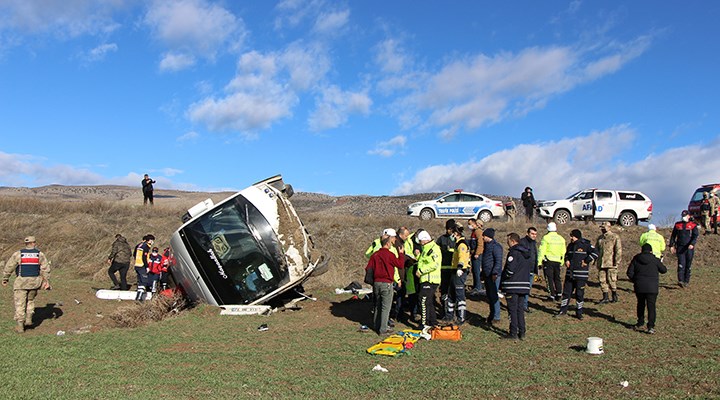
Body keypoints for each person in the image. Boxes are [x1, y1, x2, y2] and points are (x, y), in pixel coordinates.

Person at [2, 236, 51, 333]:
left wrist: (5, 278)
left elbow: (10, 266)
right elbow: (46, 269)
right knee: (30, 300)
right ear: (34, 243)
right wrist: (46, 281)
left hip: (21, 283)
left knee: (20, 303)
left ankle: (20, 325)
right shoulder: (39, 254)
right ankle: (29, 318)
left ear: (25, 244)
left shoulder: (19, 254)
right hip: (35, 282)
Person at [365, 235, 403, 335]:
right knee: (386, 307)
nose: (391, 244)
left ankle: (376, 325)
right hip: (386, 283)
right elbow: (400, 264)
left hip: (376, 283)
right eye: (391, 243)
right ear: (387, 243)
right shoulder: (390, 255)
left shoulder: (375, 255)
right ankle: (383, 329)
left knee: (378, 305)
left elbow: (368, 268)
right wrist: (401, 254)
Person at [556, 229, 598, 320]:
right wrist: (566, 260)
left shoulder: (586, 245)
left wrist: (587, 261)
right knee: (566, 293)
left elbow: (596, 253)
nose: (571, 238)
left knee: (579, 294)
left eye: (572, 236)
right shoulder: (570, 246)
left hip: (581, 275)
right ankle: (562, 310)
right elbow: (566, 255)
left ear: (577, 236)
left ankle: (579, 312)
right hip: (570, 274)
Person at [627, 243, 668, 334]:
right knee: (651, 307)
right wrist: (660, 261)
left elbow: (629, 273)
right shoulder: (655, 260)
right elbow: (664, 270)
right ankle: (650, 326)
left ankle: (640, 322)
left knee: (640, 304)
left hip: (639, 286)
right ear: (651, 251)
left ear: (641, 250)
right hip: (652, 287)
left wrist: (636, 280)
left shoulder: (636, 259)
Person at [500, 233, 532, 339]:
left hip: (512, 285)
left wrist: (504, 278)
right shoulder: (527, 253)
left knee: (512, 310)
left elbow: (510, 269)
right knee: (520, 309)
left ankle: (513, 332)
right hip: (524, 285)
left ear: (513, 241)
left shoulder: (513, 253)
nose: (507, 243)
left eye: (508, 240)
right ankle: (522, 332)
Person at [415, 230, 441, 331]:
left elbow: (434, 264)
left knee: (423, 300)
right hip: (425, 278)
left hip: (430, 279)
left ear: (425, 240)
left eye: (421, 241)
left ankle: (424, 323)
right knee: (428, 302)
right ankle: (433, 322)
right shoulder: (425, 249)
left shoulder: (433, 249)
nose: (420, 243)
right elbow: (424, 261)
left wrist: (421, 271)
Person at [445, 225, 471, 324]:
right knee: (451, 293)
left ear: (456, 234)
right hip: (454, 270)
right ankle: (449, 316)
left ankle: (461, 317)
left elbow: (462, 257)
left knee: (459, 295)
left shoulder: (462, 244)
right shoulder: (457, 244)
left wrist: (460, 268)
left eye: (453, 233)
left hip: (460, 271)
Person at [669, 210, 699, 288]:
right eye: (683, 216)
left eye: (685, 216)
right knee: (681, 264)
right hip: (680, 247)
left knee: (688, 265)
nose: (683, 217)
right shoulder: (678, 225)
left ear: (689, 216)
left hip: (689, 248)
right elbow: (673, 236)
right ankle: (680, 280)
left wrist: (692, 244)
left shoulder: (692, 225)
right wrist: (671, 245)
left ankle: (686, 281)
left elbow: (695, 236)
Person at [595, 221, 623, 304]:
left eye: (604, 228)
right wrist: (594, 260)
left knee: (611, 280)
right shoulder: (600, 238)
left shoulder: (614, 237)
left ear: (609, 227)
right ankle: (605, 297)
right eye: (602, 228)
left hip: (611, 263)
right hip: (601, 262)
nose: (603, 229)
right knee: (602, 280)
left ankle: (614, 295)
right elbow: (596, 250)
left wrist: (617, 262)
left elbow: (618, 250)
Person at [538, 222, 565, 302]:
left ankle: (551, 295)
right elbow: (563, 251)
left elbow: (541, 251)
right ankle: (559, 294)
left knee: (549, 278)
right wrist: (562, 261)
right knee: (557, 277)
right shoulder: (561, 238)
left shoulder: (546, 238)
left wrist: (539, 262)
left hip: (548, 261)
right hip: (558, 261)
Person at [481, 228, 503, 325]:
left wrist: (494, 273)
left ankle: (496, 316)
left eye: (484, 236)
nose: (482, 237)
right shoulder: (487, 246)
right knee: (490, 295)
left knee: (494, 296)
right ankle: (492, 314)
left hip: (493, 275)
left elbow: (498, 262)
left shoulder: (496, 247)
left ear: (488, 236)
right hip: (487, 274)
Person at [436, 219, 457, 318]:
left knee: (453, 292)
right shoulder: (441, 239)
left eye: (450, 229)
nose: (448, 231)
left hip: (454, 270)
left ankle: (452, 312)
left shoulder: (457, 239)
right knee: (444, 291)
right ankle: (445, 312)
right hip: (443, 269)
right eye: (447, 229)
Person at [518, 227, 538, 313]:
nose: (534, 236)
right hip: (524, 269)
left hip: (531, 269)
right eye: (532, 234)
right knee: (523, 288)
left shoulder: (534, 243)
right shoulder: (522, 242)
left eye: (535, 234)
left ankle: (524, 305)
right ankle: (522, 305)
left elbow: (535, 256)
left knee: (528, 289)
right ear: (528, 233)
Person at [133, 234, 155, 301]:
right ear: (150, 240)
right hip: (142, 265)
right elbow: (144, 257)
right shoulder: (146, 246)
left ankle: (138, 296)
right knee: (144, 281)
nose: (152, 242)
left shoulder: (139, 245)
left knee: (140, 281)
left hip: (137, 264)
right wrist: (147, 266)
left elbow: (134, 254)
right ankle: (139, 298)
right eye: (152, 240)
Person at [467, 218, 485, 296]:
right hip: (473, 254)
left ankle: (478, 287)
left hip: (477, 255)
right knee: (474, 270)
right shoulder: (473, 232)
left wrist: (477, 253)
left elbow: (480, 244)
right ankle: (476, 286)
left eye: (470, 224)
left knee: (477, 270)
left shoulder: (478, 232)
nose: (469, 226)